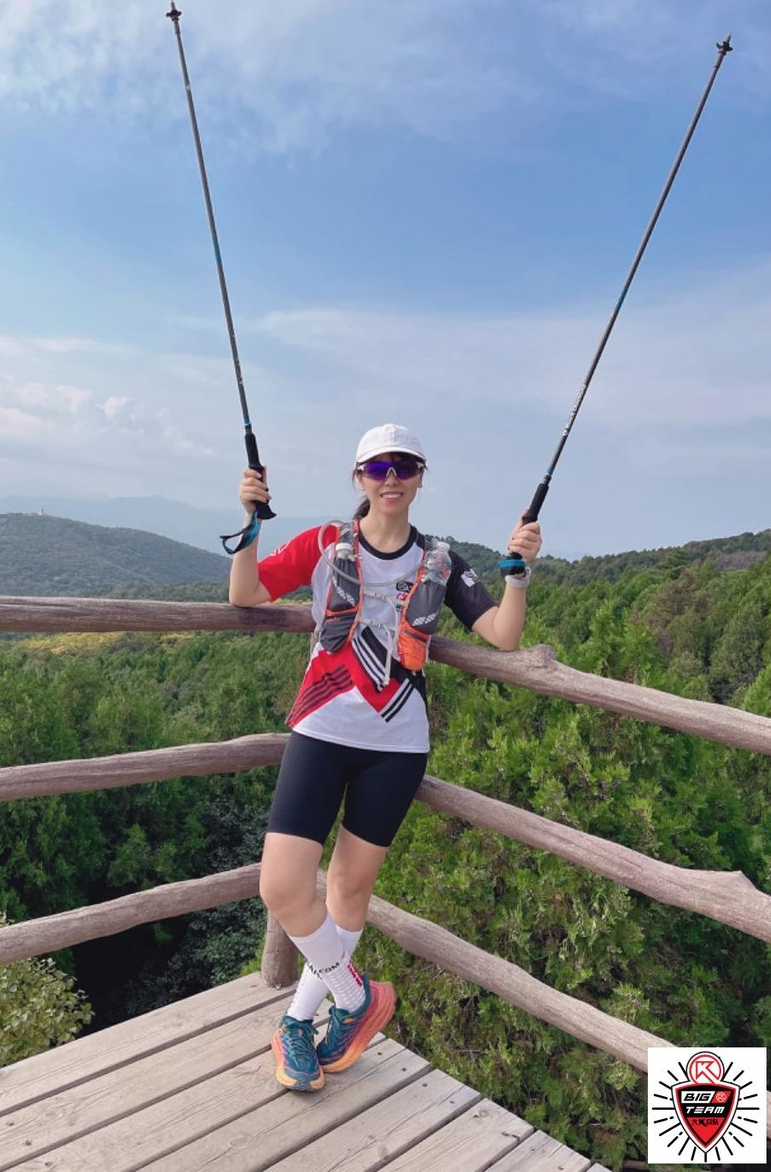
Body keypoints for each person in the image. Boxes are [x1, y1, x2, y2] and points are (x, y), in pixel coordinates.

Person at [228, 423, 542, 1092]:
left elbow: (503, 635)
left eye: (404, 466)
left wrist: (518, 575)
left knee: (348, 890)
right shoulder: (324, 543)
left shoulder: (442, 563)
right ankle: (357, 997)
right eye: (378, 467)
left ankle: (299, 1022)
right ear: (360, 478)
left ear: (421, 476)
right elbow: (246, 594)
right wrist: (251, 523)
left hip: (396, 749)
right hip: (320, 732)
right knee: (281, 887)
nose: (391, 477)